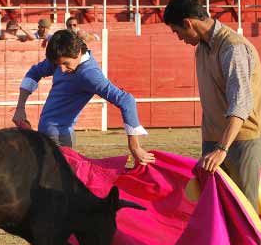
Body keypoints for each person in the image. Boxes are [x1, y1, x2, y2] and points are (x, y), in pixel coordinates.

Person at [163, 0, 261, 245]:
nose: (179, 39)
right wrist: (211, 146)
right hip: (214, 142)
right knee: (216, 216)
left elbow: (241, 105)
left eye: (179, 32)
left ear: (190, 23)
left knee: (244, 214)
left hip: (239, 142)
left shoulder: (234, 48)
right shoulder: (204, 49)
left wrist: (221, 148)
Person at [12, 29, 155, 165]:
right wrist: (20, 108)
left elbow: (126, 100)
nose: (61, 69)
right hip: (51, 134)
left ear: (78, 52)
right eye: (58, 64)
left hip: (58, 138)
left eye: (65, 64)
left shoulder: (89, 74)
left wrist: (134, 145)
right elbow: (34, 72)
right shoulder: (62, 56)